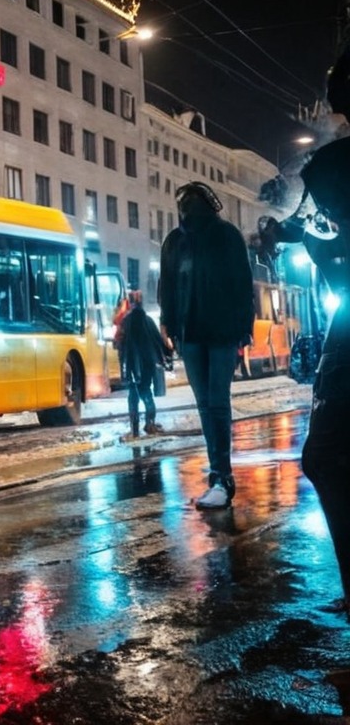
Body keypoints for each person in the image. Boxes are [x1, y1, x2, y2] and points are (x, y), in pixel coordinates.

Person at [259, 134, 350, 619]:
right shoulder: (325, 173)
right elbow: (306, 225)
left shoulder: (333, 165)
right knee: (327, 457)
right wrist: (279, 231)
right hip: (347, 318)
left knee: (330, 455)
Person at [157, 181, 254, 510]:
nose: (188, 211)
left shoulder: (222, 236)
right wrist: (168, 323)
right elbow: (168, 285)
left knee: (213, 403)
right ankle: (219, 477)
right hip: (195, 334)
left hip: (216, 332)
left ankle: (222, 477)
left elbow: (241, 283)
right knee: (210, 404)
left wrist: (243, 327)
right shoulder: (177, 242)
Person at [114, 289, 169, 439]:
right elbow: (159, 341)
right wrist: (165, 357)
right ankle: (150, 423)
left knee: (133, 395)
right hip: (148, 363)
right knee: (146, 391)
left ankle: (135, 428)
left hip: (132, 364)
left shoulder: (125, 321)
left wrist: (122, 361)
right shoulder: (148, 321)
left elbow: (119, 343)